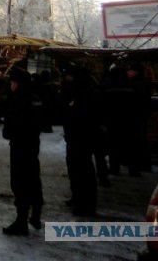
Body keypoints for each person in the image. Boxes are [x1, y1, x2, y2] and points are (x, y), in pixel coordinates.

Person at [2, 67, 44, 235]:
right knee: (34, 180)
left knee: (20, 182)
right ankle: (36, 215)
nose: (10, 85)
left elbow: (13, 123)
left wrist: (8, 132)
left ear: (17, 83)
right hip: (32, 144)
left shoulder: (19, 99)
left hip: (20, 145)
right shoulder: (35, 97)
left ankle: (21, 221)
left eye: (11, 82)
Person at [61, 65, 99, 216]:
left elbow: (81, 116)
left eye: (69, 77)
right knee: (76, 169)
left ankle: (86, 204)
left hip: (81, 138)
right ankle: (78, 198)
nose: (66, 80)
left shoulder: (85, 94)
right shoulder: (82, 92)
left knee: (83, 170)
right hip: (75, 137)